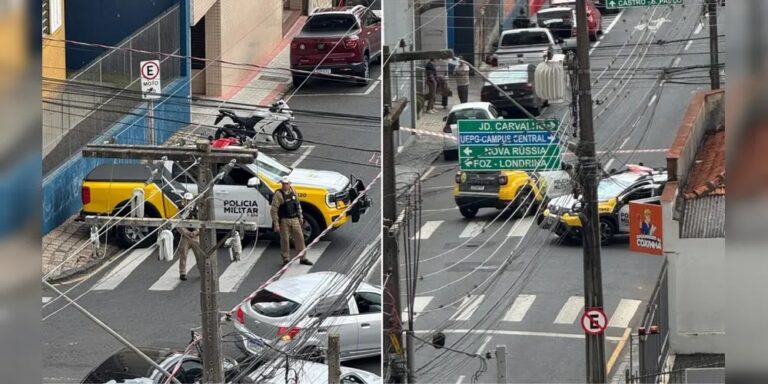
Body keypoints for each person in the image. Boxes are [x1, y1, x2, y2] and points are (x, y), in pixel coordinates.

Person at [271, 177, 314, 267]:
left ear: (290, 184)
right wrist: (276, 224)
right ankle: (286, 258)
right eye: (283, 183)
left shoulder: (293, 191)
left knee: (300, 238)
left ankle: (303, 258)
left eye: (286, 183)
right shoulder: (278, 194)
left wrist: (300, 217)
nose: (284, 185)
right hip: (284, 220)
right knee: (285, 240)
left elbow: (297, 205)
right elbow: (274, 210)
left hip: (295, 219)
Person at [176, 192, 198, 281]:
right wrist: (187, 233)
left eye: (189, 200)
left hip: (196, 236)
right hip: (185, 236)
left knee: (200, 255)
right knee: (183, 254)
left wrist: (196, 232)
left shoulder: (197, 210)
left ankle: (203, 271)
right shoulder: (180, 210)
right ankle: (182, 272)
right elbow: (178, 224)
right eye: (186, 200)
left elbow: (201, 223)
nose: (188, 202)